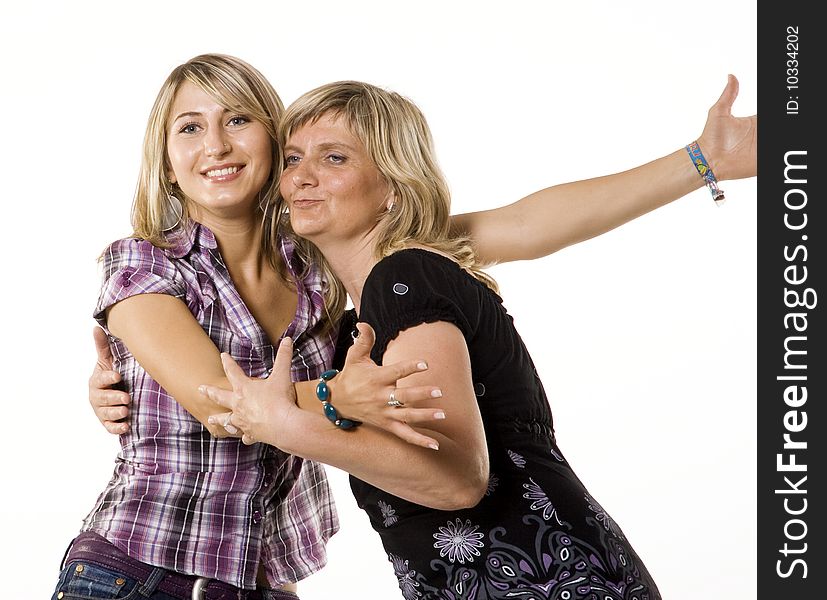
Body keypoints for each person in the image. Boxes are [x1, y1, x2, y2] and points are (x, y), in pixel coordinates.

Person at [194, 78, 756, 599]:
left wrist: (288, 426)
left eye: (334, 157)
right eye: (291, 160)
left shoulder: (407, 277)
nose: (300, 177)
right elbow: (527, 224)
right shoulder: (356, 324)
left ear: (394, 184)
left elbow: (457, 481)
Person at [52, 54, 450, 600]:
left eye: (237, 119)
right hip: (137, 573)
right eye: (190, 128)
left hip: (268, 582)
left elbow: (502, 229)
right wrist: (340, 397)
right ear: (168, 163)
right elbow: (219, 407)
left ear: (274, 141)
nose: (215, 145)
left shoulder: (321, 266)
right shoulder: (143, 265)